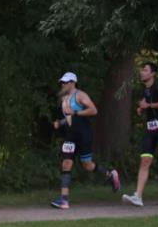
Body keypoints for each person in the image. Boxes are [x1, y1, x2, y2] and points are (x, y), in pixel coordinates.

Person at [49, 72, 120, 209]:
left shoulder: (80, 95)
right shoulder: (64, 98)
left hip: (83, 135)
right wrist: (60, 123)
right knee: (66, 164)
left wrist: (76, 112)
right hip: (70, 136)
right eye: (62, 82)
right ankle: (64, 200)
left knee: (87, 165)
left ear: (73, 83)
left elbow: (93, 110)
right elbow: (69, 117)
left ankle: (110, 175)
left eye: (65, 82)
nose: (63, 84)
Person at [122, 62, 158, 207]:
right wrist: (141, 108)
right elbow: (145, 102)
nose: (142, 72)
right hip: (150, 129)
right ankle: (138, 197)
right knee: (144, 160)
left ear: (153, 74)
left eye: (145, 70)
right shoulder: (146, 90)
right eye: (142, 70)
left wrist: (148, 106)